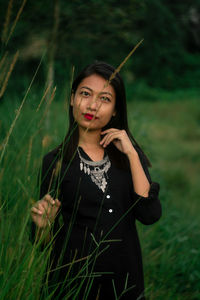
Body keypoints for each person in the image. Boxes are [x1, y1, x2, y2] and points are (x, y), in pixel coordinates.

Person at [30, 61, 162, 300]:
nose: (92, 105)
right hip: (72, 285)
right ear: (72, 99)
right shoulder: (55, 162)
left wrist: (131, 153)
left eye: (104, 99)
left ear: (115, 111)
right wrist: (42, 227)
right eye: (85, 94)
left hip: (124, 283)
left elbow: (149, 214)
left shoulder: (129, 155)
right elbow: (44, 245)